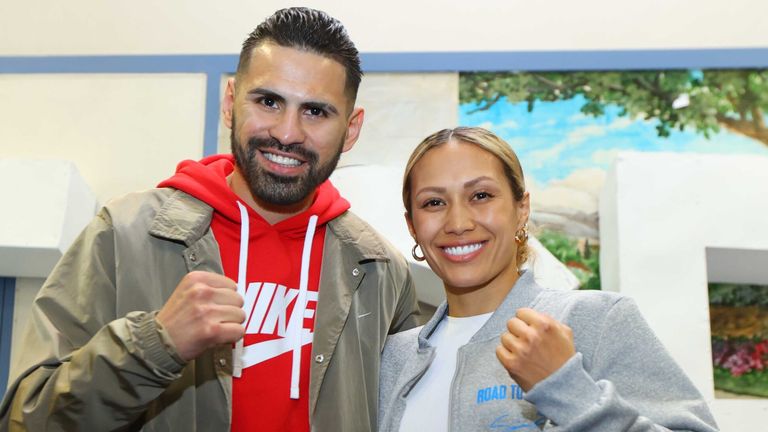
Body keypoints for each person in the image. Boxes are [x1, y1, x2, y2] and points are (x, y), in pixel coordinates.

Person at [0, 7, 420, 432]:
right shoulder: (124, 234)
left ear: (350, 129)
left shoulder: (380, 273)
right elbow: (26, 417)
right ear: (230, 103)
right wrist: (154, 345)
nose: (288, 132)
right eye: (268, 101)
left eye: (315, 112)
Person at [378, 127, 718, 431]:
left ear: (521, 209)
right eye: (434, 202)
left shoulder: (596, 321)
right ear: (412, 226)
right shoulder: (390, 358)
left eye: (480, 196)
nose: (458, 222)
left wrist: (566, 389)